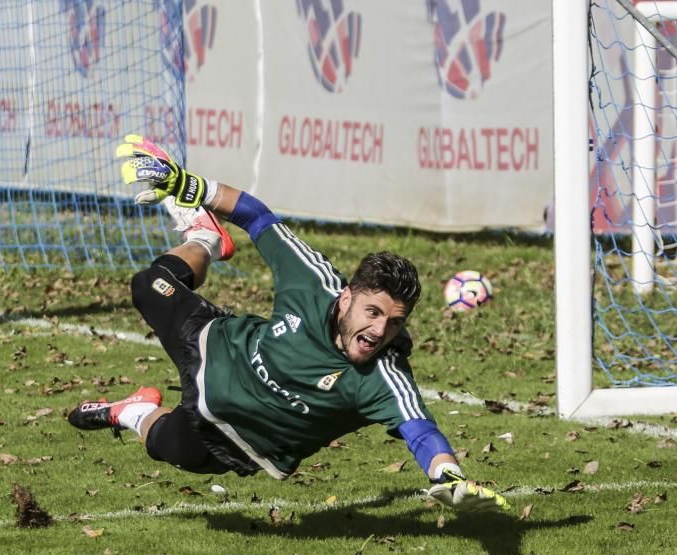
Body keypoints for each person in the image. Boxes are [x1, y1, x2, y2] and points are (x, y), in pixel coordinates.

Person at [67, 134, 509, 513]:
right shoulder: (312, 279)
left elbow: (421, 430)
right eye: (373, 313)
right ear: (346, 297)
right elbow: (257, 215)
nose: (379, 331)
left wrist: (449, 476)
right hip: (216, 345)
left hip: (237, 439)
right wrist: (191, 185)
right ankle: (204, 237)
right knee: (149, 286)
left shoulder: (382, 377)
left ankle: (130, 410)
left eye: (394, 323)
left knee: (167, 445)